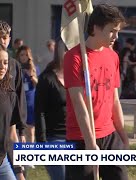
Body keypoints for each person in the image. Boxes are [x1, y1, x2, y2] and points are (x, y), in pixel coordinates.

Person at [63, 4, 129, 180]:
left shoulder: (113, 56)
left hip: (109, 135)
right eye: (112, 31)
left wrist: (123, 135)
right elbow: (79, 104)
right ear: (96, 28)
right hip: (80, 138)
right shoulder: (74, 57)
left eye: (118, 31)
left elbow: (114, 99)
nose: (116, 36)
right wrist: (90, 143)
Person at [35, 39, 67, 180]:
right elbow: (39, 111)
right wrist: (42, 142)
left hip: (75, 137)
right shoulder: (46, 79)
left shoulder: (76, 78)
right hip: (54, 139)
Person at [0, 20, 27, 179]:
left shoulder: (14, 65)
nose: (4, 40)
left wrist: (22, 129)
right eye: (0, 37)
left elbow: (19, 96)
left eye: (6, 37)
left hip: (4, 153)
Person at [16, 45, 39, 144]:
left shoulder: (34, 68)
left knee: (30, 130)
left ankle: (30, 151)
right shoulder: (15, 68)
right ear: (18, 56)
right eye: (22, 55)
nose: (24, 57)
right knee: (19, 131)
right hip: (19, 102)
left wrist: (31, 75)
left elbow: (38, 85)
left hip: (30, 102)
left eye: (26, 55)